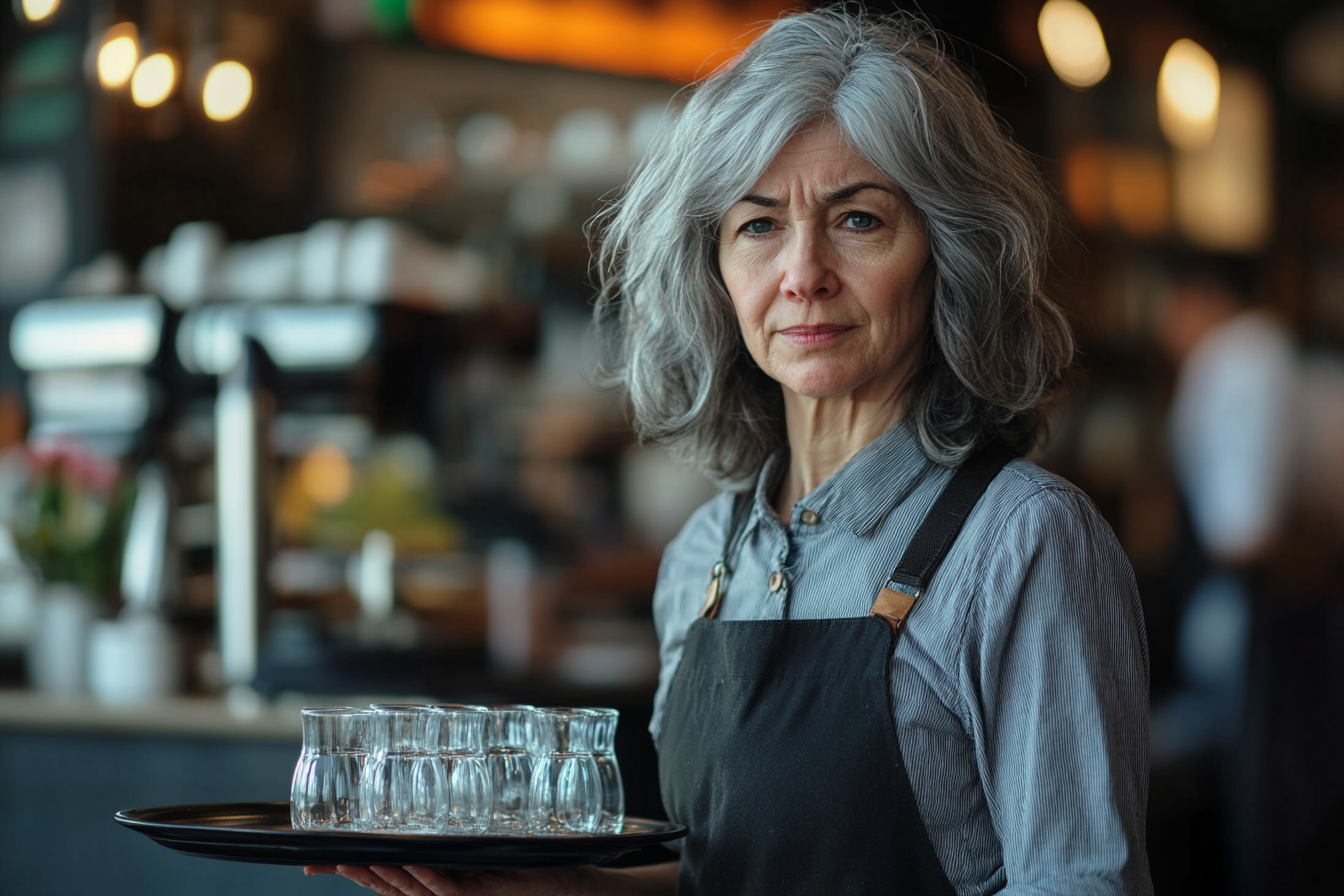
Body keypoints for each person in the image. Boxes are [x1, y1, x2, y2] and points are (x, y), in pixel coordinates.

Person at [311, 7, 1153, 895]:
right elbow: (718, 880)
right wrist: (523, 887)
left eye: (858, 220)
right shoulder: (702, 559)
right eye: (758, 226)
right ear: (712, 273)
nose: (802, 273)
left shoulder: (1022, 544)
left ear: (950, 252)